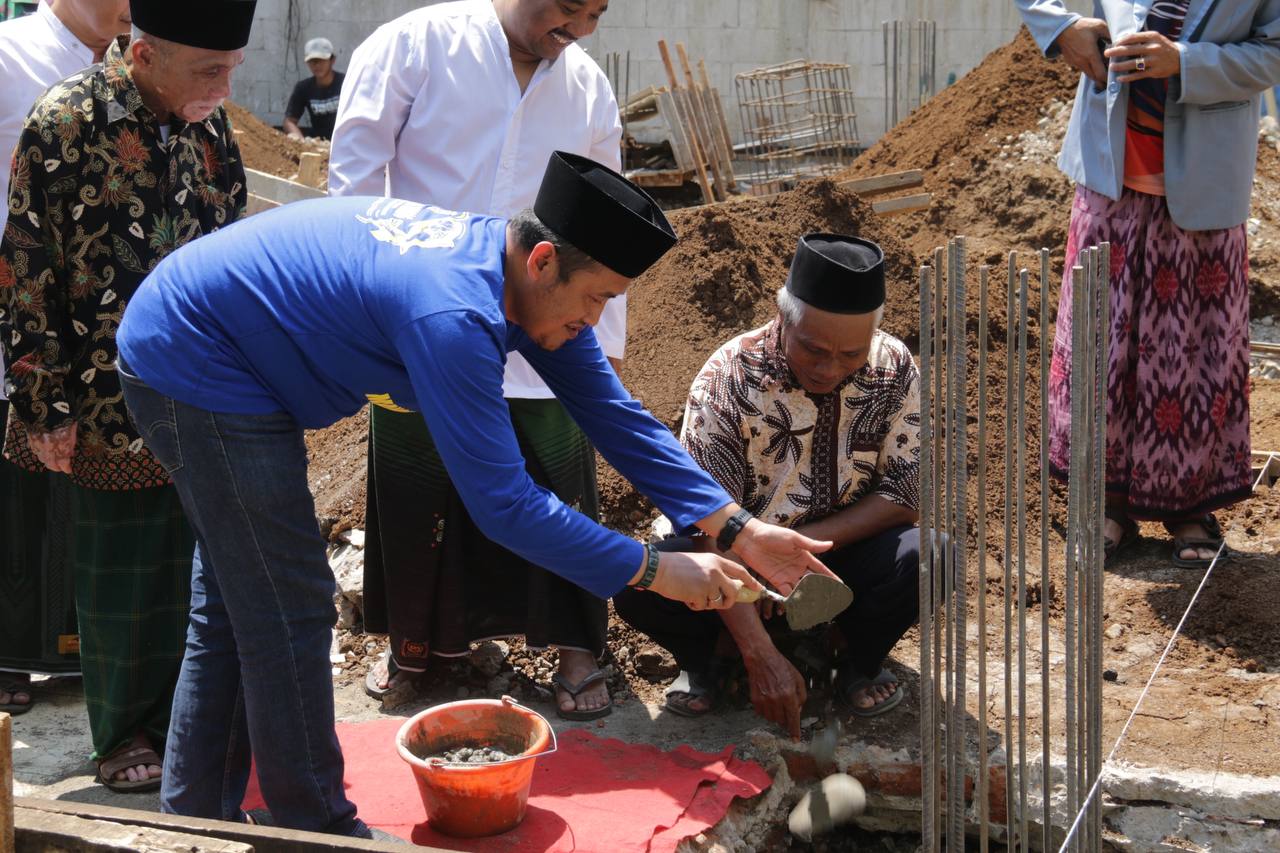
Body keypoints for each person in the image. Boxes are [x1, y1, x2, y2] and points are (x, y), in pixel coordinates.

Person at [115, 151, 834, 835]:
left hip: (226, 353)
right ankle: (318, 831)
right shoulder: (455, 317)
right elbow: (505, 504)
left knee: (242, 604)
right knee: (289, 604)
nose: (596, 320)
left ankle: (194, 822)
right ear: (545, 260)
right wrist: (652, 567)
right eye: (596, 299)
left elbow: (613, 415)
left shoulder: (518, 278)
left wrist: (738, 528)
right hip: (198, 362)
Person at [330, 0, 629, 720]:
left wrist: (606, 344)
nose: (579, 29)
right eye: (566, 7)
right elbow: (356, 185)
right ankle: (422, 648)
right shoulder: (412, 46)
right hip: (421, 330)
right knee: (419, 492)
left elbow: (608, 226)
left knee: (560, 487)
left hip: (547, 334)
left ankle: (577, 648)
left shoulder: (586, 86)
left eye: (595, 12)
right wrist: (365, 320)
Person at [0, 0, 254, 791]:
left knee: (189, 567)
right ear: (144, 56)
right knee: (117, 569)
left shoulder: (210, 126)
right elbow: (25, 266)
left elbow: (234, 235)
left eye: (231, 70)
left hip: (199, 384)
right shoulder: (64, 121)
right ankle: (119, 734)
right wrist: (41, 402)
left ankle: (184, 720)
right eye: (208, 69)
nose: (222, 85)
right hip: (98, 391)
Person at [615, 234, 922, 738]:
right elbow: (704, 518)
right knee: (639, 579)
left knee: (926, 558)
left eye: (850, 354)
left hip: (834, 554)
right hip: (730, 556)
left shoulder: (893, 368)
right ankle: (719, 658)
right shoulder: (728, 379)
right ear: (783, 320)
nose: (829, 368)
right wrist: (762, 653)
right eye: (814, 349)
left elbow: (906, 494)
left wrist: (801, 551)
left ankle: (849, 655)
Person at [1015, 2, 1280, 566]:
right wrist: (1061, 26)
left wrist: (1185, 62)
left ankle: (1189, 507)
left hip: (1203, 185)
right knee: (1102, 352)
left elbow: (1274, 49)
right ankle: (1107, 504)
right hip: (1109, 179)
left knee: (1192, 353)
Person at [0, 0, 132, 718]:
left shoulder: (136, 66)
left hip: (100, 317)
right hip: (18, 300)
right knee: (15, 494)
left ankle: (75, 650)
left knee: (78, 487)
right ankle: (9, 654)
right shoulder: (8, 57)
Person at [283, 36, 343, 141]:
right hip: (319, 144)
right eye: (312, 61)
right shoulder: (303, 88)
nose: (317, 65)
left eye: (321, 60)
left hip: (345, 142)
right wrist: (301, 142)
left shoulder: (346, 83)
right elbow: (289, 121)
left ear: (332, 60)